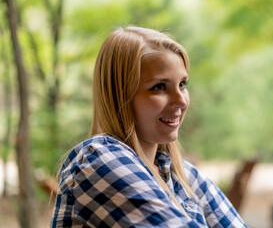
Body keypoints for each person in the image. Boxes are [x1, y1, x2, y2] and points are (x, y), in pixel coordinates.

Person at [51, 26, 248, 228]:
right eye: (159, 87)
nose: (181, 101)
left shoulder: (185, 177)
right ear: (121, 96)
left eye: (182, 84)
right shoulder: (98, 161)